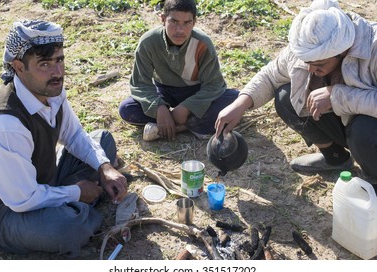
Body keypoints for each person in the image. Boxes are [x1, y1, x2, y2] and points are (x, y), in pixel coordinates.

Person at [0, 20, 128, 258]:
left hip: (44, 181)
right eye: (45, 64)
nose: (58, 73)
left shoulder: (50, 89)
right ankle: (80, 209)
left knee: (102, 141)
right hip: (6, 210)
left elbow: (73, 135)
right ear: (19, 66)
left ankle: (80, 202)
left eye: (59, 60)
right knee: (67, 229)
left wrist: (104, 168)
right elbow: (24, 199)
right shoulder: (4, 125)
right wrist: (76, 192)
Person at [215, 0, 377, 183]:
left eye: (319, 64)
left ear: (343, 51)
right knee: (285, 96)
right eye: (308, 62)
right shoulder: (305, 47)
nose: (310, 69)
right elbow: (270, 75)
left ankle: (374, 182)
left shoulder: (373, 46)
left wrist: (336, 96)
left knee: (365, 129)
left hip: (368, 128)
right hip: (346, 125)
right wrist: (240, 104)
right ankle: (335, 158)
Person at [119, 0, 239, 141]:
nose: (180, 30)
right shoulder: (148, 42)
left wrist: (188, 107)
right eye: (174, 22)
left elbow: (214, 85)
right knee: (127, 109)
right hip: (164, 91)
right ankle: (192, 124)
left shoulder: (203, 43)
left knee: (235, 100)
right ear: (163, 19)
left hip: (195, 91)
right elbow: (140, 84)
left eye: (187, 23)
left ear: (194, 22)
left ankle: (173, 128)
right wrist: (159, 108)